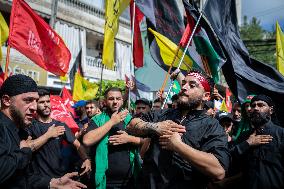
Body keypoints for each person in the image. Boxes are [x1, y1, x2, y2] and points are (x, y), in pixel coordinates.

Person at [127, 70, 230, 189]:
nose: (184, 87)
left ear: (206, 96)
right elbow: (131, 125)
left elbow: (218, 171)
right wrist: (155, 127)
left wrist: (178, 146)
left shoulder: (211, 126)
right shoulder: (162, 114)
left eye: (192, 85)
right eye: (184, 83)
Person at [0, 74, 86, 189]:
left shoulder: (22, 132)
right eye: (28, 100)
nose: (34, 107)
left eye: (36, 101)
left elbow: (21, 178)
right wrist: (25, 151)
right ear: (6, 100)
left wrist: (52, 183)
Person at [83, 87, 143, 189]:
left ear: (122, 100)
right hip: (105, 182)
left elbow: (145, 141)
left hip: (129, 180)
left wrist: (129, 139)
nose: (115, 102)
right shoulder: (97, 119)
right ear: (105, 101)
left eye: (118, 99)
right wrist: (112, 122)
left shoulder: (129, 119)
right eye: (111, 99)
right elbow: (87, 141)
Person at [26, 89, 92, 179]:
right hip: (37, 179)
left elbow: (77, 144)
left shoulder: (60, 125)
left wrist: (86, 159)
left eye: (48, 101)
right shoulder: (30, 125)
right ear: (35, 105)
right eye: (42, 102)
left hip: (58, 177)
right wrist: (48, 135)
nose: (46, 105)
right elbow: (28, 148)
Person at [231, 94, 284, 189]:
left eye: (260, 105)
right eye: (253, 105)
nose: (255, 108)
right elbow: (231, 159)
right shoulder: (244, 137)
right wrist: (247, 144)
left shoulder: (281, 134)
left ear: (271, 110)